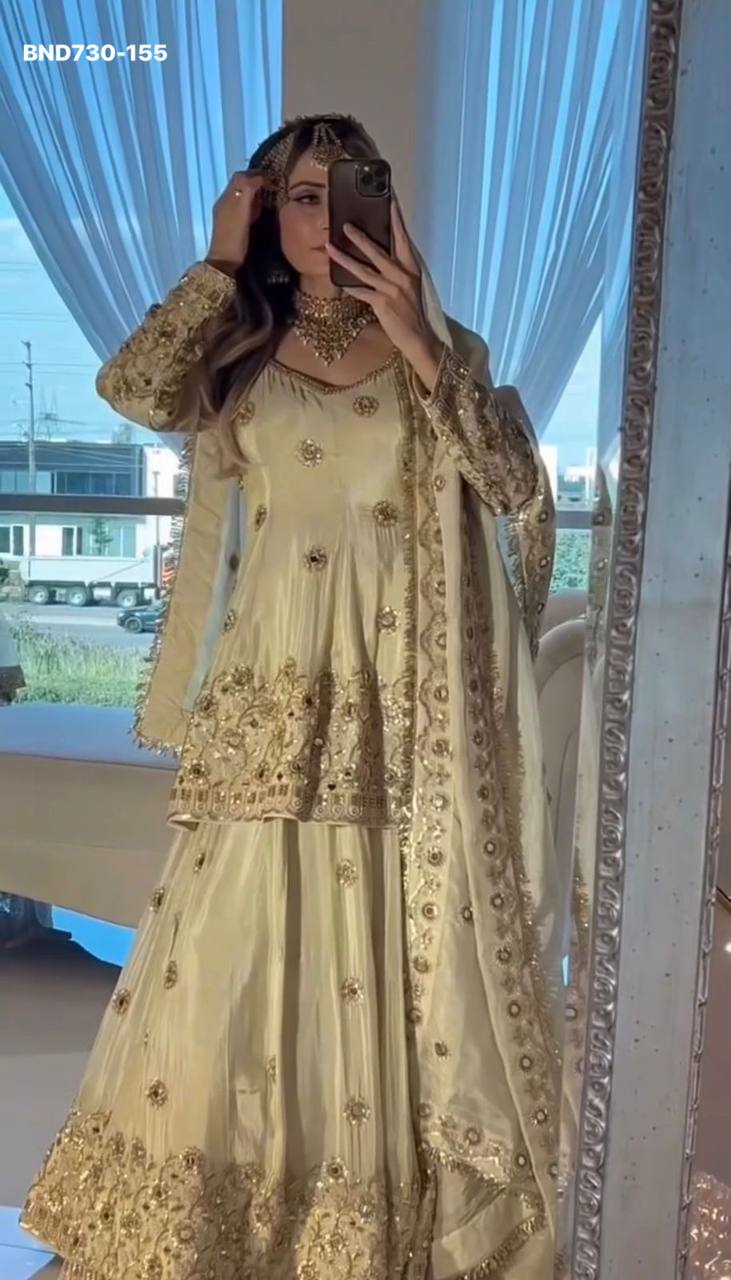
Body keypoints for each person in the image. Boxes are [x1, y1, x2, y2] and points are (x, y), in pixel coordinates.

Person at [20, 114, 562, 1279]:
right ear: (270, 214)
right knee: (233, 941)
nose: (324, 221)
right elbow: (133, 389)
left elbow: (514, 487)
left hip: (394, 700)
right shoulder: (234, 345)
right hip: (269, 693)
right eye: (300, 198)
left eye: (346, 191)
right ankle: (213, 1214)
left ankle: (356, 1216)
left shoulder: (438, 349)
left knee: (373, 936)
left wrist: (418, 340)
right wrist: (220, 260)